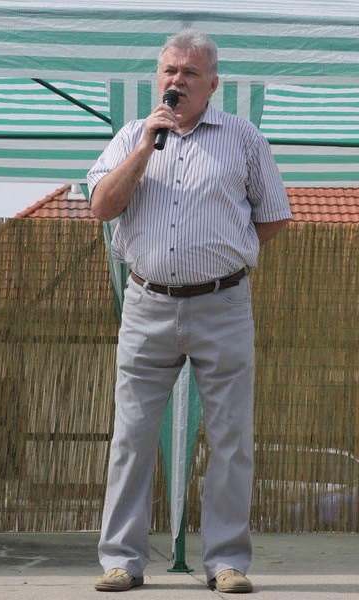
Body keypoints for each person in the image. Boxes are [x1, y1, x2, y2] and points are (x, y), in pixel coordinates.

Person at [87, 29, 292, 594]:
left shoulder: (244, 138)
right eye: (169, 71)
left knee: (230, 438)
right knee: (131, 437)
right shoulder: (131, 136)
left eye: (189, 73)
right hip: (147, 303)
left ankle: (226, 563)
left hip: (222, 304)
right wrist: (143, 148)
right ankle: (123, 561)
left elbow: (273, 215)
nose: (176, 81)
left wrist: (225, 251)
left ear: (212, 85)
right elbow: (101, 206)